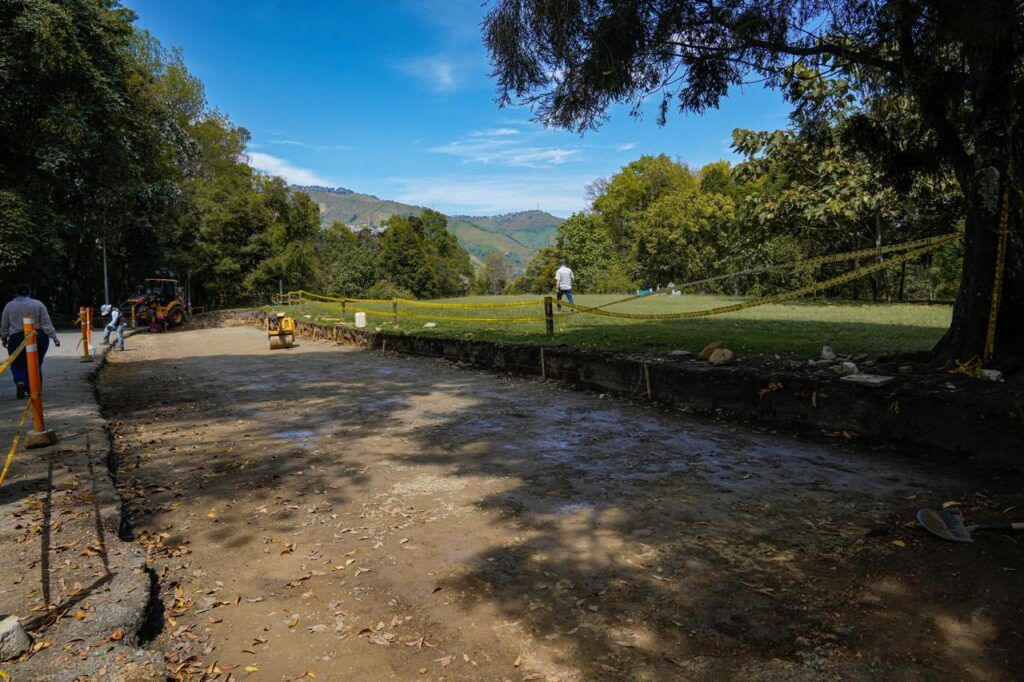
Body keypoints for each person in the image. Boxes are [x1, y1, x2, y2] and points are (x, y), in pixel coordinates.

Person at [0, 284, 61, 399]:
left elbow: (4, 324)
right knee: (36, 363)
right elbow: (46, 323)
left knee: (17, 364)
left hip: (17, 338)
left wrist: (4, 338)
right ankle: (34, 388)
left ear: (16, 292)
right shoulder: (38, 304)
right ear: (29, 292)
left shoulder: (9, 306)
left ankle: (21, 382)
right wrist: (54, 337)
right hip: (38, 337)